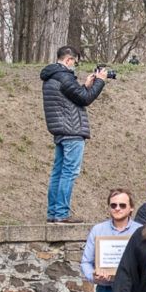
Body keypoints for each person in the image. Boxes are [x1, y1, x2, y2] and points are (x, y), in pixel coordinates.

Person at [41, 45, 106, 223]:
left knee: (58, 172)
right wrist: (100, 81)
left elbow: (74, 97)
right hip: (72, 130)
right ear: (68, 59)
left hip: (60, 130)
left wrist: (85, 85)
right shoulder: (64, 76)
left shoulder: (51, 76)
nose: (74, 66)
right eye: (74, 63)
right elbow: (85, 99)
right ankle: (61, 213)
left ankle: (53, 213)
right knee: (69, 172)